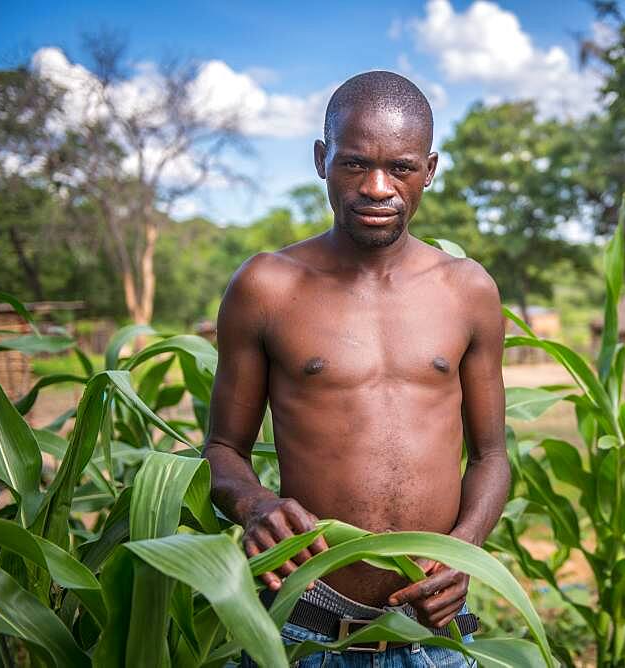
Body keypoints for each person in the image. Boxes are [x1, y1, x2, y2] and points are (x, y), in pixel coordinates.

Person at [203, 71, 510, 667]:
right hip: (303, 627)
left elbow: (493, 457)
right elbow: (220, 448)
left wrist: (465, 548)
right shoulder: (267, 286)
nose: (377, 187)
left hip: (434, 636)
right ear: (322, 159)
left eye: (400, 167)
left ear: (430, 168)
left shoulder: (468, 290)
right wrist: (252, 504)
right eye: (353, 164)